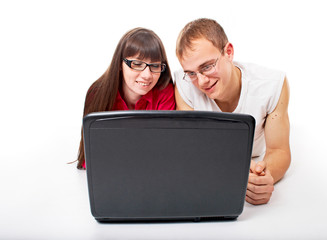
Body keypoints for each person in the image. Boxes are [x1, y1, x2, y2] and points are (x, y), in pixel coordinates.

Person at [174, 18, 291, 205]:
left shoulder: (272, 85)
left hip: (255, 161)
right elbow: (196, 150)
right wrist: (238, 174)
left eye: (207, 66)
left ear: (228, 52)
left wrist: (263, 177)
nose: (202, 81)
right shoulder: (183, 85)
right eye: (192, 73)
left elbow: (279, 150)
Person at [76, 27, 175, 169]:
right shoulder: (97, 93)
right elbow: (91, 158)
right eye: (137, 64)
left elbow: (164, 151)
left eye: (155, 66)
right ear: (120, 64)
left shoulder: (165, 92)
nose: (147, 75)